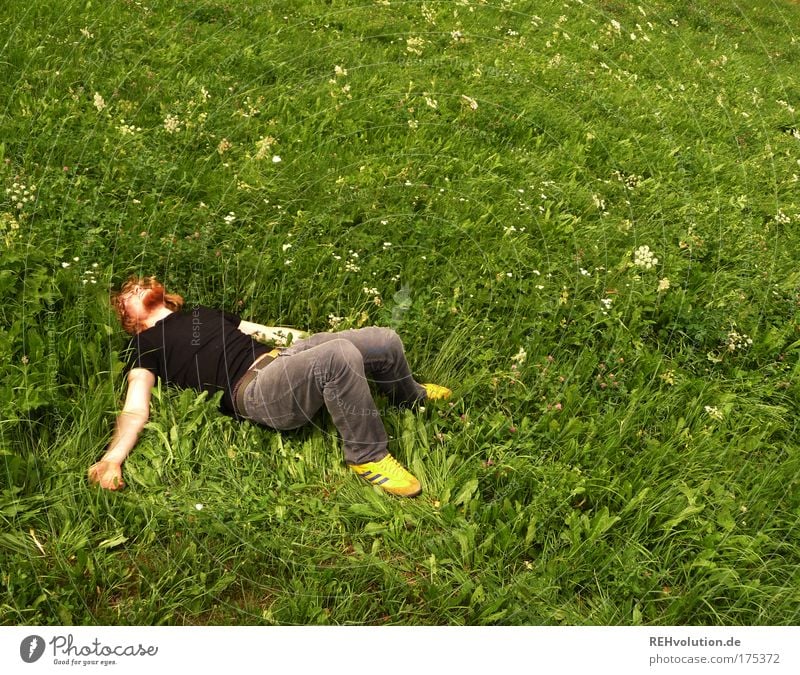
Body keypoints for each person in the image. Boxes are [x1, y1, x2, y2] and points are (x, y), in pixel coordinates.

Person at [88, 275, 451, 497]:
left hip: (282, 359)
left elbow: (266, 332)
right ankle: (367, 456)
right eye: (124, 295)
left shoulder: (202, 313)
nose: (130, 289)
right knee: (338, 355)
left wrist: (317, 341)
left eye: (134, 285)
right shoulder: (142, 345)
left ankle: (410, 397)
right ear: (129, 319)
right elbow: (135, 407)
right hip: (255, 389)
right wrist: (111, 459)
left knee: (382, 338)